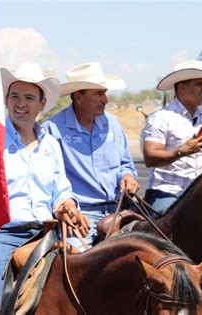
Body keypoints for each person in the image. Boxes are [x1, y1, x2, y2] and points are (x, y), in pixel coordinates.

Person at [0, 62, 89, 314]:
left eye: (29, 97)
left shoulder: (51, 145)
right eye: (14, 96)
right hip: (0, 234)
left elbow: (62, 190)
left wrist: (67, 204)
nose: (20, 103)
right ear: (6, 100)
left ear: (42, 104)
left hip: (46, 236)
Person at [43, 62, 139, 251]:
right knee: (76, 261)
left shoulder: (113, 124)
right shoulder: (52, 130)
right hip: (80, 214)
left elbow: (125, 164)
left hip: (119, 210)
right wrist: (70, 211)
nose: (106, 99)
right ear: (78, 96)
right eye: (98, 93)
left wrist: (128, 177)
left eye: (105, 92)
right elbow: (49, 180)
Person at [142, 60, 202, 214]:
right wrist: (181, 151)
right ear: (182, 87)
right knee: (165, 233)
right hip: (167, 192)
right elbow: (150, 157)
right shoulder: (161, 118)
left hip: (200, 193)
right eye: (199, 84)